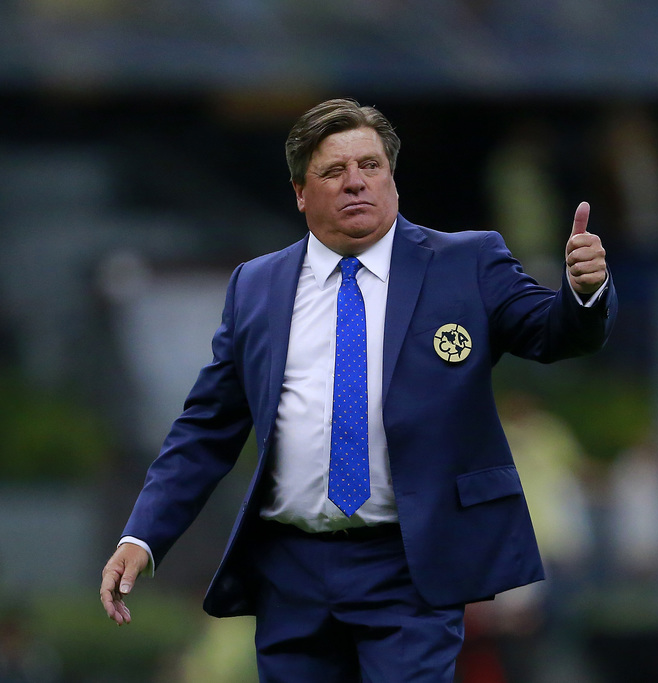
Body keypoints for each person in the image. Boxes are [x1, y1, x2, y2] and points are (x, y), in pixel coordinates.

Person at [98, 98, 617, 682]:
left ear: (392, 177)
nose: (355, 183)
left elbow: (552, 334)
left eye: (370, 166)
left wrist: (585, 292)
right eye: (333, 171)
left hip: (409, 565)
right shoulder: (257, 285)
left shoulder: (466, 263)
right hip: (290, 570)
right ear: (300, 192)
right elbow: (206, 430)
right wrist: (142, 536)